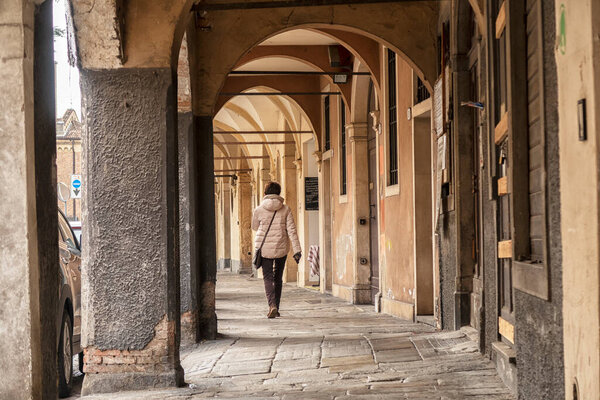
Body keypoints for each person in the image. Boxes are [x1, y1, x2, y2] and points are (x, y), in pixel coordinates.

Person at [252, 181, 302, 318]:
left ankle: (272, 305)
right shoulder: (285, 209)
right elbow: (291, 230)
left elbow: (254, 227)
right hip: (281, 248)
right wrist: (297, 249)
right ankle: (277, 307)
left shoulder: (259, 209)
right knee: (278, 277)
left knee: (267, 277)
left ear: (265, 193)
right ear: (279, 193)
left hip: (265, 249)